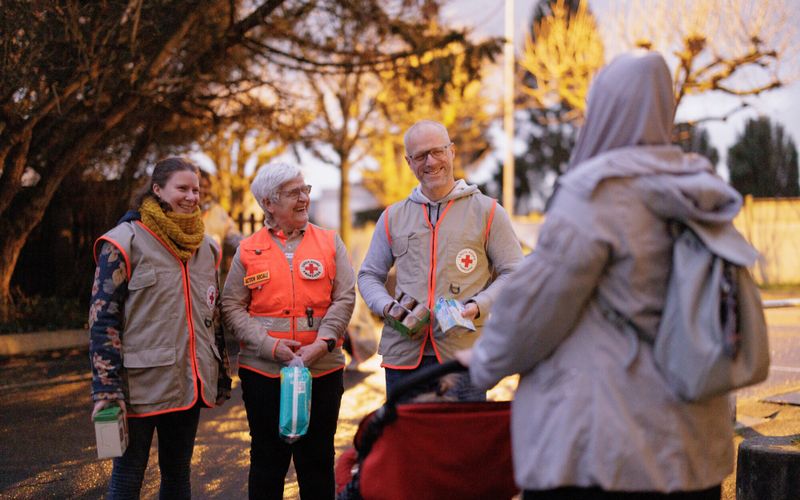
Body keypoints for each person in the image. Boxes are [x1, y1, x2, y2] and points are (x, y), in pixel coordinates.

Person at [457, 52, 744, 499]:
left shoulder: (596, 193)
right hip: (694, 446)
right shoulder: (699, 189)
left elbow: (534, 311)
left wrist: (482, 361)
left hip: (608, 447)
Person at [89, 157, 232, 498]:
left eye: (195, 190)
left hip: (188, 382)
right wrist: (106, 389)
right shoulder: (124, 242)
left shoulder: (206, 247)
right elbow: (102, 320)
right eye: (181, 188)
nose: (191, 196)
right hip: (138, 386)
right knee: (127, 478)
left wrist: (220, 373)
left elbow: (213, 317)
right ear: (157, 190)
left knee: (178, 476)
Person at [357, 119, 522, 402]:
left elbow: (514, 273)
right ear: (409, 162)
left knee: (462, 443)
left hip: (463, 358)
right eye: (420, 156)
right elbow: (368, 275)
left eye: (437, 151)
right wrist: (387, 307)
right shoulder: (392, 217)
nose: (430, 162)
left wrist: (476, 306)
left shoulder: (488, 212)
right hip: (404, 357)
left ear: (452, 152)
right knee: (408, 443)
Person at [221, 162, 355, 500]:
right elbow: (231, 306)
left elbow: (345, 297)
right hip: (264, 373)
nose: (304, 198)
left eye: (305, 189)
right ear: (269, 202)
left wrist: (322, 345)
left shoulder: (329, 242)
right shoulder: (248, 250)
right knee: (267, 461)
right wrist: (269, 346)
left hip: (322, 369)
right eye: (294, 192)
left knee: (317, 461)